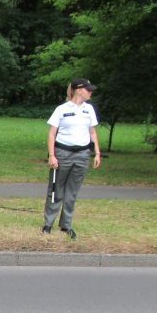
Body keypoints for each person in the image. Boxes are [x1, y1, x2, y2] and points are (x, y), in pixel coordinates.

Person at [42, 78, 102, 239]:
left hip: (82, 154)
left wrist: (97, 152)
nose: (91, 92)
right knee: (56, 189)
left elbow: (92, 132)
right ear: (78, 90)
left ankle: (66, 225)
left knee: (72, 192)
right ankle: (48, 223)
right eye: (88, 89)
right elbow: (51, 134)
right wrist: (52, 155)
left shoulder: (89, 109)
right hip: (63, 153)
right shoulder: (62, 109)